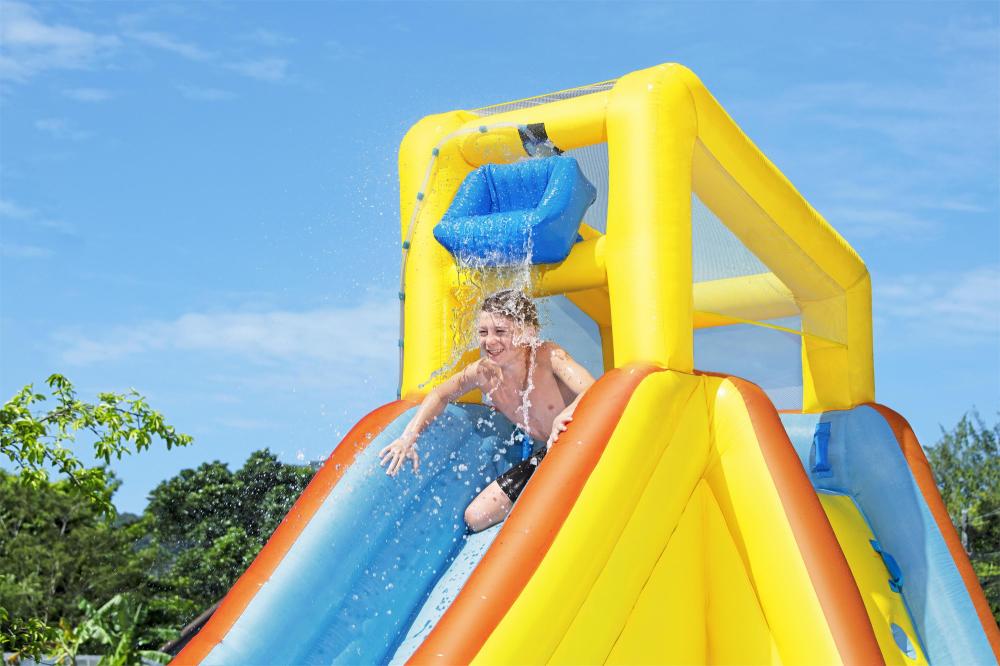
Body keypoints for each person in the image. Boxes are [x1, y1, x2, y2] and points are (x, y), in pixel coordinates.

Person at [378, 289, 596, 532]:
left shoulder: (548, 355)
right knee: (476, 516)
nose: (489, 342)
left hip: (581, 443)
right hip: (549, 454)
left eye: (500, 332)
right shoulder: (483, 372)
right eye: (483, 332)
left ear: (527, 332)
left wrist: (567, 413)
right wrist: (409, 436)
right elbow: (440, 394)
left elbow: (594, 389)